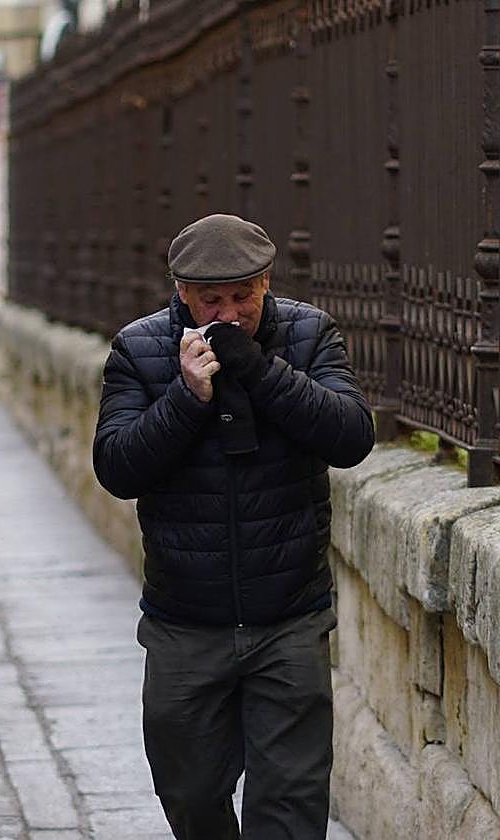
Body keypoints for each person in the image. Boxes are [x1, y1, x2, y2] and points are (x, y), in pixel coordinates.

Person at [93, 214, 375, 840]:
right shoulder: (139, 350)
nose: (228, 314)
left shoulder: (308, 334)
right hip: (185, 621)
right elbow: (116, 466)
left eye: (242, 297)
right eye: (210, 301)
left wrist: (258, 369)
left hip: (289, 617)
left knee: (290, 807)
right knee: (190, 795)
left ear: (266, 283)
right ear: (181, 293)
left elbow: (352, 436)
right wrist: (184, 399)